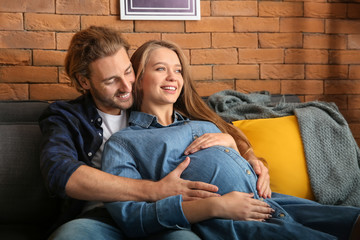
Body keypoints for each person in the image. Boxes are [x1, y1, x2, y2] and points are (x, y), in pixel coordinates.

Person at [101, 40, 360, 240]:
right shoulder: (125, 143)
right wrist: (216, 207)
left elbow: (243, 148)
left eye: (178, 70)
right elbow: (131, 217)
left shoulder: (202, 121)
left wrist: (250, 157)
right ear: (138, 79)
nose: (173, 77)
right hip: (229, 222)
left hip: (272, 202)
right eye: (160, 69)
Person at [39, 26, 245, 240]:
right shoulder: (65, 117)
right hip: (101, 218)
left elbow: (214, 129)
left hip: (162, 212)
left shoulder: (152, 99)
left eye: (128, 71)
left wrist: (246, 154)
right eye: (110, 80)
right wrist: (154, 190)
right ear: (84, 82)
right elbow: (61, 173)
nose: (126, 86)